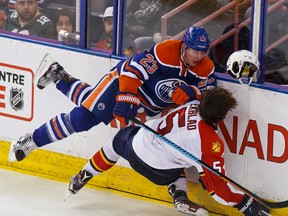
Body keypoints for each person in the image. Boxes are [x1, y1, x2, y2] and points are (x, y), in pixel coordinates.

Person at [8, 26, 215, 165]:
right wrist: (127, 96)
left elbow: (207, 88)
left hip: (149, 103)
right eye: (194, 51)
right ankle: (32, 140)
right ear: (184, 47)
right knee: (84, 119)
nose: (198, 56)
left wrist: (193, 91)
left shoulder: (206, 66)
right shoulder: (165, 52)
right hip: (122, 82)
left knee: (92, 104)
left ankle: (58, 76)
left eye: (203, 52)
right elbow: (133, 71)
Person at [67, 87, 270, 216]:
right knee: (177, 164)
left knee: (116, 142)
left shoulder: (192, 104)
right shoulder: (208, 143)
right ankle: (178, 194)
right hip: (159, 172)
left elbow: (195, 92)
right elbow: (216, 189)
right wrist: (244, 203)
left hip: (136, 146)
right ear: (222, 116)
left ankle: (85, 174)